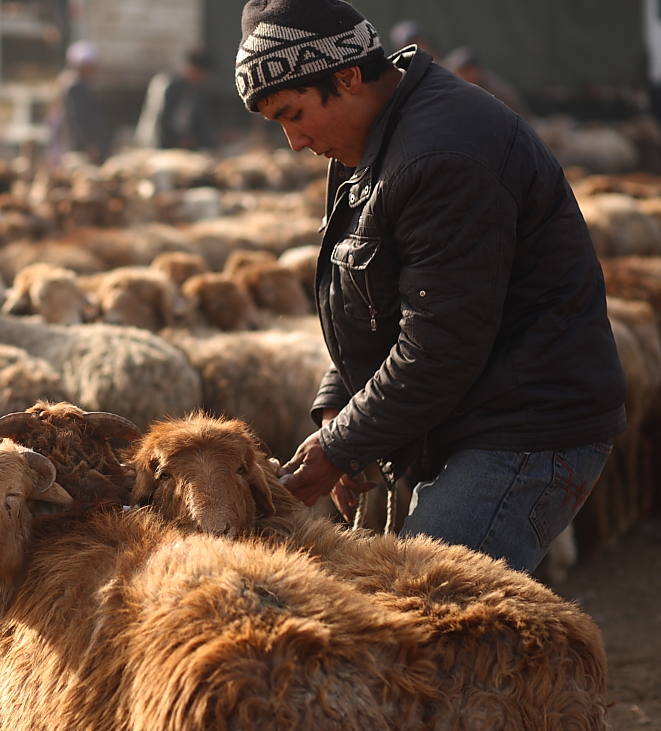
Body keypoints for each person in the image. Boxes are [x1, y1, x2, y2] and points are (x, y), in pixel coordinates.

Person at [234, 0, 626, 573]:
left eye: (294, 115)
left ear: (346, 77)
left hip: (523, 427)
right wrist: (337, 412)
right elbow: (373, 302)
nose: (294, 141)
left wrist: (344, 443)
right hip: (467, 414)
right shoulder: (373, 141)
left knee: (423, 623)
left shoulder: (442, 154)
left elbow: (441, 344)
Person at [135, 49, 218, 151]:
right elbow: (161, 119)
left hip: (179, 146)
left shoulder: (196, 91)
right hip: (157, 144)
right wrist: (178, 139)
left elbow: (203, 121)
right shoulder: (167, 84)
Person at [46, 40, 112, 165]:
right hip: (76, 149)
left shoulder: (75, 83)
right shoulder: (74, 87)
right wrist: (90, 145)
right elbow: (78, 118)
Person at [442, 46, 531, 119]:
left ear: (475, 70)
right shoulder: (453, 86)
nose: (461, 75)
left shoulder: (495, 91)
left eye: (465, 71)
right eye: (457, 71)